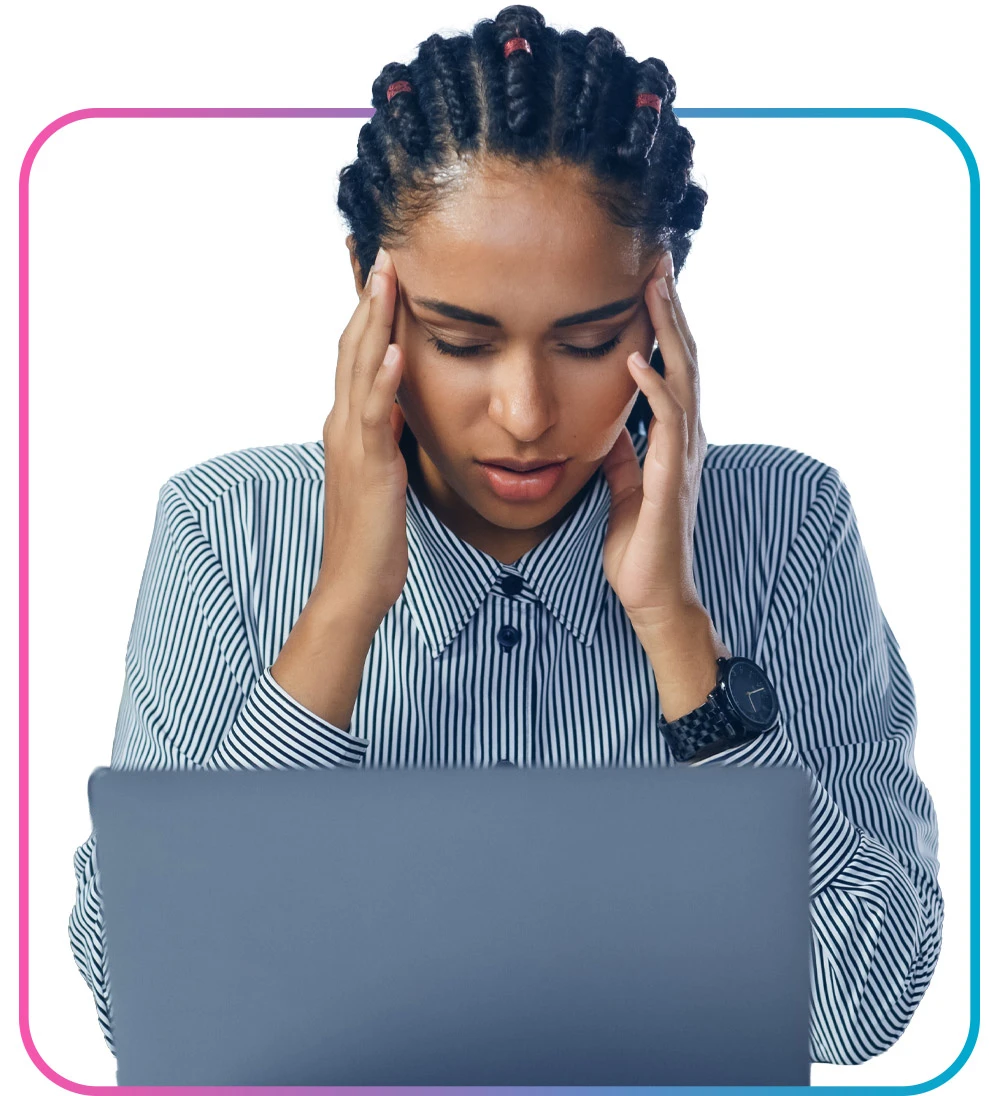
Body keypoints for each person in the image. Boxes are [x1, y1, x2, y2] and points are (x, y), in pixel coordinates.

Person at [68, 3, 943, 1070]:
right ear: (368, 290)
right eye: (459, 340)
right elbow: (145, 1010)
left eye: (587, 340)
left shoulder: (785, 526)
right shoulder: (224, 530)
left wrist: (678, 639)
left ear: (663, 296)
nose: (525, 412)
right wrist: (342, 603)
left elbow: (860, 1010)